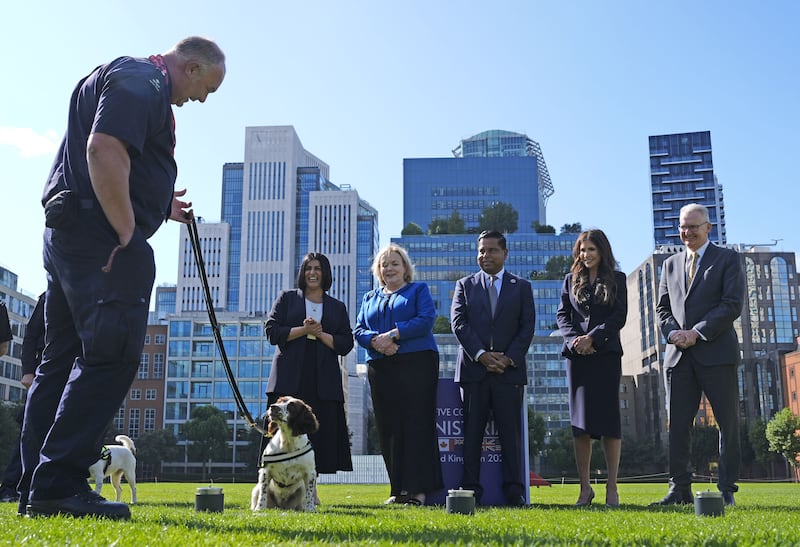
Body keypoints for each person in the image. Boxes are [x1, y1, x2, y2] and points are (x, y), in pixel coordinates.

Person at [19, 36, 225, 520]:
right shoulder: (144, 82)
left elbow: (110, 156)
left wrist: (157, 203)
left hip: (71, 234)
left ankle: (36, 484)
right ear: (191, 67)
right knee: (112, 355)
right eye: (206, 89)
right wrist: (128, 230)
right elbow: (104, 146)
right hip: (102, 241)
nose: (201, 100)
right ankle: (59, 483)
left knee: (61, 359)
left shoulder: (120, 75)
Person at [650, 203, 744, 507]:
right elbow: (662, 308)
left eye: (692, 226)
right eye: (682, 226)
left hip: (716, 353)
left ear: (708, 228)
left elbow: (731, 305)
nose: (686, 232)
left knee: (727, 423)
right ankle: (679, 489)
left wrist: (697, 332)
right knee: (677, 425)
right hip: (677, 358)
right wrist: (672, 333)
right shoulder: (670, 264)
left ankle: (727, 487)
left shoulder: (728, 260)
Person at [451, 230, 535, 507]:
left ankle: (514, 491)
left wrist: (508, 359)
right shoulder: (464, 285)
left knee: (510, 435)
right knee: (472, 435)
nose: (485, 255)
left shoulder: (521, 287)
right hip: (474, 373)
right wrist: (482, 355)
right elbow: (458, 324)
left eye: (491, 250)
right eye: (481, 251)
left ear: (505, 253)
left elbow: (527, 327)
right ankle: (471, 489)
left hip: (508, 373)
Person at [354, 244, 443, 506]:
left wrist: (393, 335)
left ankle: (418, 491)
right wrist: (376, 341)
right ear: (378, 271)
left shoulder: (418, 290)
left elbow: (426, 319)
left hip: (417, 363)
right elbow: (358, 329)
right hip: (381, 367)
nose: (389, 268)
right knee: (388, 428)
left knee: (416, 425)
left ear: (405, 268)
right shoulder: (369, 297)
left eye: (395, 263)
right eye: (384, 264)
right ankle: (398, 490)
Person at [261, 252, 354, 498]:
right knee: (281, 430)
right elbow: (272, 331)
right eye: (308, 268)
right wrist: (304, 329)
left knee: (318, 434)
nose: (312, 273)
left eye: (318, 268)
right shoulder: (287, 298)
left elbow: (346, 343)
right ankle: (272, 489)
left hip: (323, 378)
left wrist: (320, 333)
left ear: (325, 274)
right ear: (302, 273)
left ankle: (311, 492)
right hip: (290, 376)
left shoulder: (337, 306)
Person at [556, 230, 627, 507]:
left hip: (606, 354)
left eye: (591, 250)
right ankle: (585, 490)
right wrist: (576, 340)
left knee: (609, 424)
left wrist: (593, 338)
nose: (585, 255)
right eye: (582, 250)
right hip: (577, 358)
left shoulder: (617, 280)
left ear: (602, 252)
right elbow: (562, 315)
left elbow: (618, 316)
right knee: (581, 427)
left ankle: (612, 488)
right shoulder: (569, 280)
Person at [0, 293, 45, 503]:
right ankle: (11, 487)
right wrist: (28, 371)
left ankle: (56, 486)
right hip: (45, 371)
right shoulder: (49, 297)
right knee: (30, 430)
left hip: (76, 371)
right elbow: (30, 336)